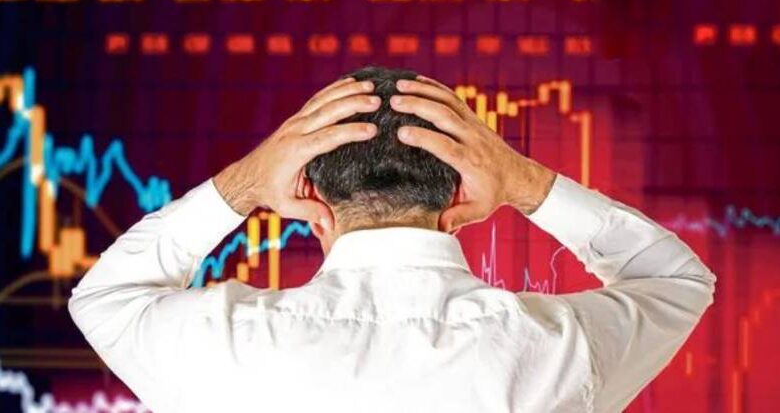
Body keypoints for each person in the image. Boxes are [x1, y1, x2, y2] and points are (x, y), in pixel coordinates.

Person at [68, 66, 716, 413]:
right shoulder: (555, 349)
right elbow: (675, 279)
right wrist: (522, 180)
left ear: (309, 198)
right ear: (461, 200)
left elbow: (105, 298)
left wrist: (244, 184)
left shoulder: (222, 345)